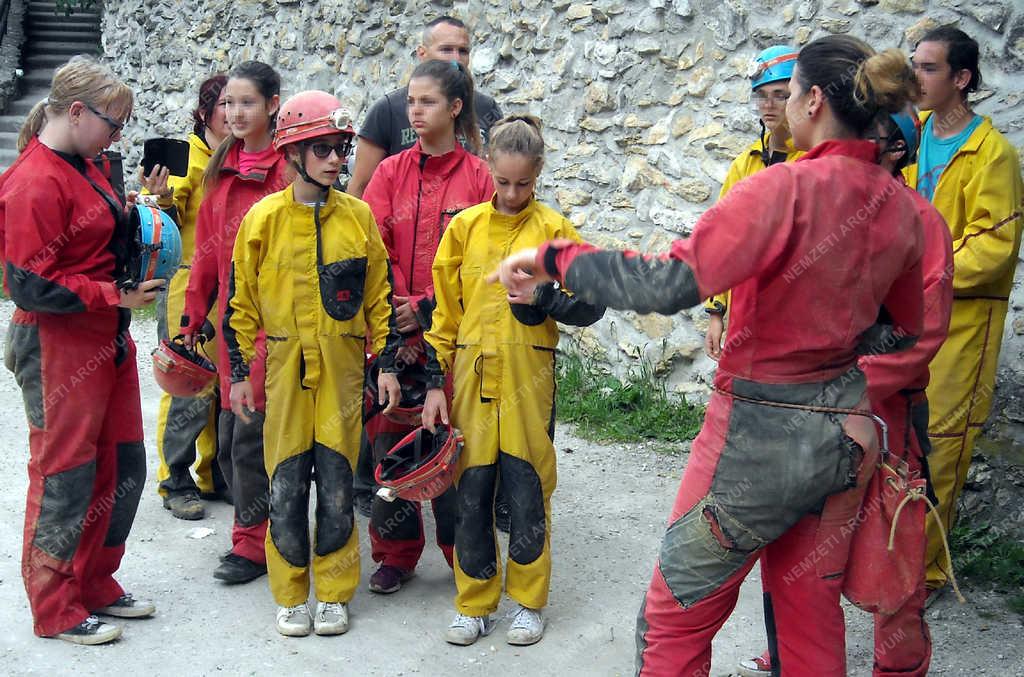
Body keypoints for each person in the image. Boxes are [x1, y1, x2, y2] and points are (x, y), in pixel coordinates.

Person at [490, 36, 926, 675]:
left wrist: (554, 257)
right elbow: (903, 331)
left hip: (754, 440)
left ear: (810, 100)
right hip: (846, 439)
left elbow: (666, 284)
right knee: (808, 618)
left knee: (674, 622)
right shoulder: (903, 208)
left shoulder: (783, 189)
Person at [737, 108, 954, 677]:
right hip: (809, 412)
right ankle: (788, 653)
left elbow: (922, 332)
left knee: (894, 548)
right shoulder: (820, 211)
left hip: (887, 414)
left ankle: (899, 666)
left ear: (893, 150)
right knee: (792, 545)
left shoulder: (920, 222)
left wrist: (845, 388)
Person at [224, 90, 403, 637]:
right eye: (322, 148)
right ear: (293, 153)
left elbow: (382, 300)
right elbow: (238, 304)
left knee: (335, 482)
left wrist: (389, 364)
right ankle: (290, 592)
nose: (335, 159)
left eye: (340, 148)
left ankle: (334, 591)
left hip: (343, 373)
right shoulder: (262, 220)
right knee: (285, 484)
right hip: (283, 373)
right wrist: (236, 376)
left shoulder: (359, 218)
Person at [421, 115, 605, 647]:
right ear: (489, 170)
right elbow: (443, 314)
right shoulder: (465, 228)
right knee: (471, 489)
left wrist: (545, 298)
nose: (512, 192)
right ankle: (474, 601)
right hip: (471, 376)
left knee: (528, 487)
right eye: (503, 182)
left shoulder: (553, 230)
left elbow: (592, 304)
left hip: (529, 375)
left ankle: (527, 602)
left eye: (523, 183)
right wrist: (435, 380)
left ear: (538, 173)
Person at [0, 56, 162, 645]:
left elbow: (97, 237)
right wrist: (112, 293)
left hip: (105, 333)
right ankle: (55, 606)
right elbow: (29, 285)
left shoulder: (87, 164)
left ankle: (94, 581)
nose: (117, 137)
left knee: (122, 464)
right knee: (65, 473)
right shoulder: (32, 181)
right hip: (58, 343)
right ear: (75, 112)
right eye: (113, 124)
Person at [361, 58, 495, 595]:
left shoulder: (481, 177)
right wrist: (401, 311)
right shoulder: (391, 172)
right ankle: (395, 554)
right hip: (394, 332)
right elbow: (374, 247)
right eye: (410, 101)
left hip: (453, 334)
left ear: (456, 107)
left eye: (428, 101)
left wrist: (428, 305)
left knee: (450, 445)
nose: (415, 111)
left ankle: (462, 553)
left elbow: (483, 259)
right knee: (390, 438)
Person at [906, 26, 1024, 595]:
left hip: (961, 325)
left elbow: (994, 248)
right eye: (914, 66)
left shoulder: (993, 154)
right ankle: (887, 562)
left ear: (962, 79)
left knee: (941, 450)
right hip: (903, 318)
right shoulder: (911, 135)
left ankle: (925, 576)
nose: (916, 79)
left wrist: (917, 270)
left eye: (928, 69)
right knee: (892, 440)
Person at [181, 61, 289, 584]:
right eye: (228, 104)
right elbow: (205, 254)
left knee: (253, 439)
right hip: (230, 331)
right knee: (228, 440)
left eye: (247, 102)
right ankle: (259, 529)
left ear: (272, 104)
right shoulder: (219, 169)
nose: (236, 112)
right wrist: (192, 315)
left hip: (276, 327)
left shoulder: (288, 171)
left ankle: (254, 543)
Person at [140, 74, 230, 521]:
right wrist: (162, 200)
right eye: (224, 106)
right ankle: (174, 477)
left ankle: (214, 473)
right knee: (185, 381)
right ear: (204, 113)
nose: (234, 114)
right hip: (186, 284)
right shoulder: (188, 159)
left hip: (228, 285)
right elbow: (162, 216)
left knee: (223, 383)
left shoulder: (238, 156)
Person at [704, 45, 803, 360]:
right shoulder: (746, 164)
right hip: (746, 311)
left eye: (781, 95)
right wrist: (716, 312)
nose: (769, 106)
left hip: (795, 314)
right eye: (762, 96)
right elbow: (721, 240)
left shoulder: (813, 163)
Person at [347, 15, 501, 199]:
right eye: (446, 49)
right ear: (422, 54)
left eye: (463, 51)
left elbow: (502, 179)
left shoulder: (486, 107)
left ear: (456, 108)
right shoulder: (388, 110)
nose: (456, 59)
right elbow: (360, 187)